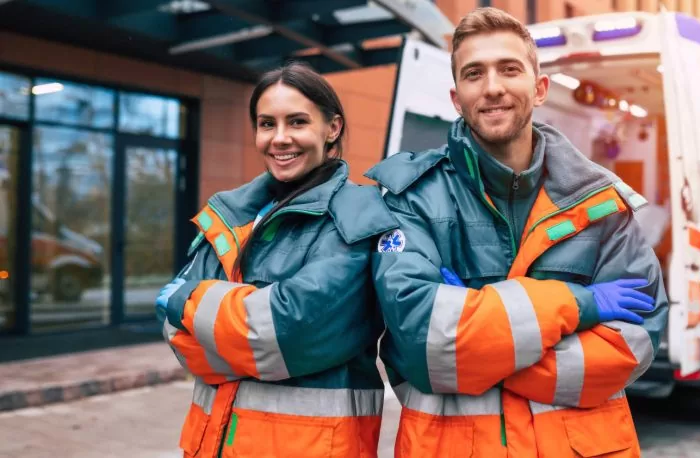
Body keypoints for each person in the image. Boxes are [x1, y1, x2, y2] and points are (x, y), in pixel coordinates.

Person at [367, 7, 668, 458]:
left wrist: (477, 340)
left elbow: (636, 341)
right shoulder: (411, 199)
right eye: (474, 74)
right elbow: (419, 345)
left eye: (509, 69)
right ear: (456, 97)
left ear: (540, 87)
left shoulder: (600, 204)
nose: (493, 87)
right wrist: (578, 306)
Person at [155, 62, 398, 458]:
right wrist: (242, 331)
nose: (279, 139)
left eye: (297, 122)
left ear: (332, 128)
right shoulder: (232, 213)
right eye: (267, 124)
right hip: (211, 445)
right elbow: (175, 336)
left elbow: (290, 329)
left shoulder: (358, 216)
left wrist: (189, 303)